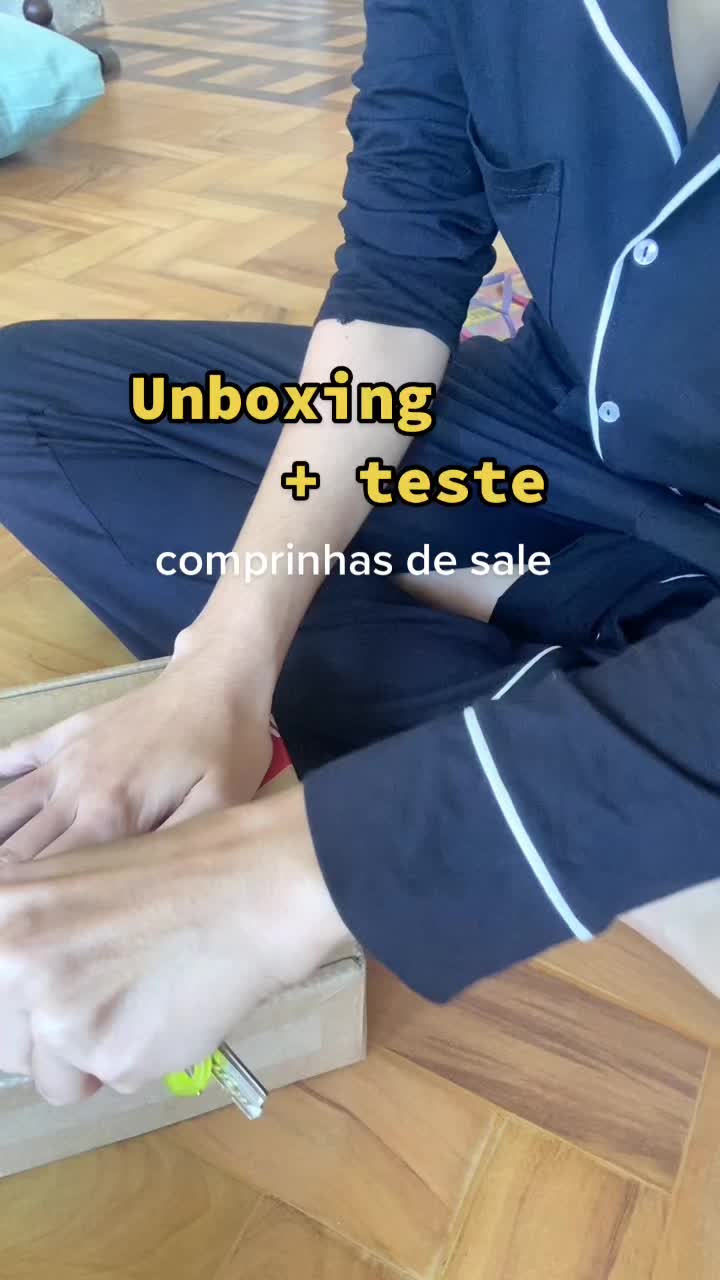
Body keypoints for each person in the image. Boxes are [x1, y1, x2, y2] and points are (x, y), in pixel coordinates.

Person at [0, 0, 719, 1106]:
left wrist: (289, 871)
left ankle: (590, 724)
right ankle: (600, 722)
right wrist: (224, 660)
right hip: (555, 423)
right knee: (33, 405)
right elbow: (399, 271)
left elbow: (286, 880)